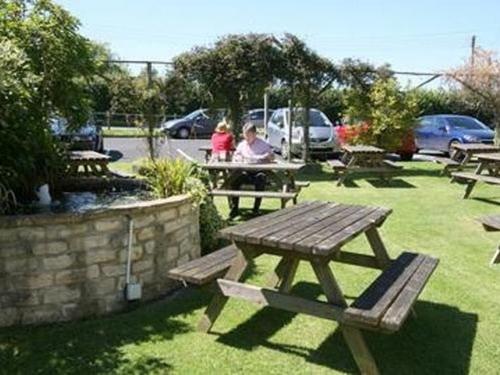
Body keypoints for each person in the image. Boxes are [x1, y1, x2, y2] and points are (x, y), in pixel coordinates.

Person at [229, 123, 274, 218]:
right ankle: (235, 208)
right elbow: (236, 156)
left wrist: (269, 157)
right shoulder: (242, 145)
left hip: (258, 171)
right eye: (245, 135)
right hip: (245, 171)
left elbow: (272, 157)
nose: (246, 137)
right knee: (234, 179)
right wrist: (237, 158)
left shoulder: (263, 144)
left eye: (248, 135)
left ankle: (256, 209)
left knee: (261, 178)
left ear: (254, 134)